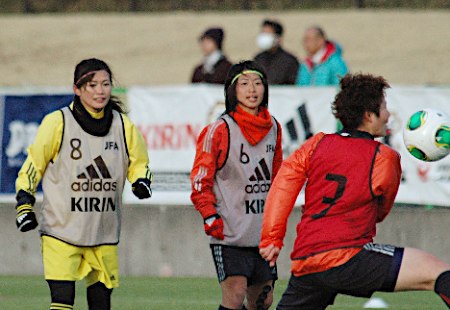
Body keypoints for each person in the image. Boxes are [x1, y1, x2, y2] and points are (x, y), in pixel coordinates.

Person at [259, 73, 450, 309]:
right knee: (439, 273)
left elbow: (282, 186)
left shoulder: (316, 144)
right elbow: (380, 212)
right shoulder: (384, 157)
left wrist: (272, 238)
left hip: (307, 260)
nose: (388, 115)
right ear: (369, 116)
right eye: (384, 107)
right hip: (349, 258)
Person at [14, 58, 152, 310]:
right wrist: (24, 203)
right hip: (62, 230)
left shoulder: (123, 126)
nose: (100, 91)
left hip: (103, 231)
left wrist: (140, 180)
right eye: (92, 85)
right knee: (62, 301)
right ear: (77, 89)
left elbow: (139, 162)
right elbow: (33, 166)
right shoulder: (57, 123)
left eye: (105, 84)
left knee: (101, 304)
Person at [190, 60, 283, 310]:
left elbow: (278, 177)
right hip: (229, 233)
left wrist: (278, 219)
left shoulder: (274, 126)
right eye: (244, 84)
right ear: (233, 91)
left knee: (263, 301)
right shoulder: (220, 130)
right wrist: (209, 215)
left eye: (257, 83)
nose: (252, 89)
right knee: (235, 294)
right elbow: (200, 179)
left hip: (262, 233)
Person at [254, 19, 299, 85]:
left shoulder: (289, 61)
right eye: (263, 33)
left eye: (268, 34)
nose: (264, 37)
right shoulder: (258, 59)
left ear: (278, 38)